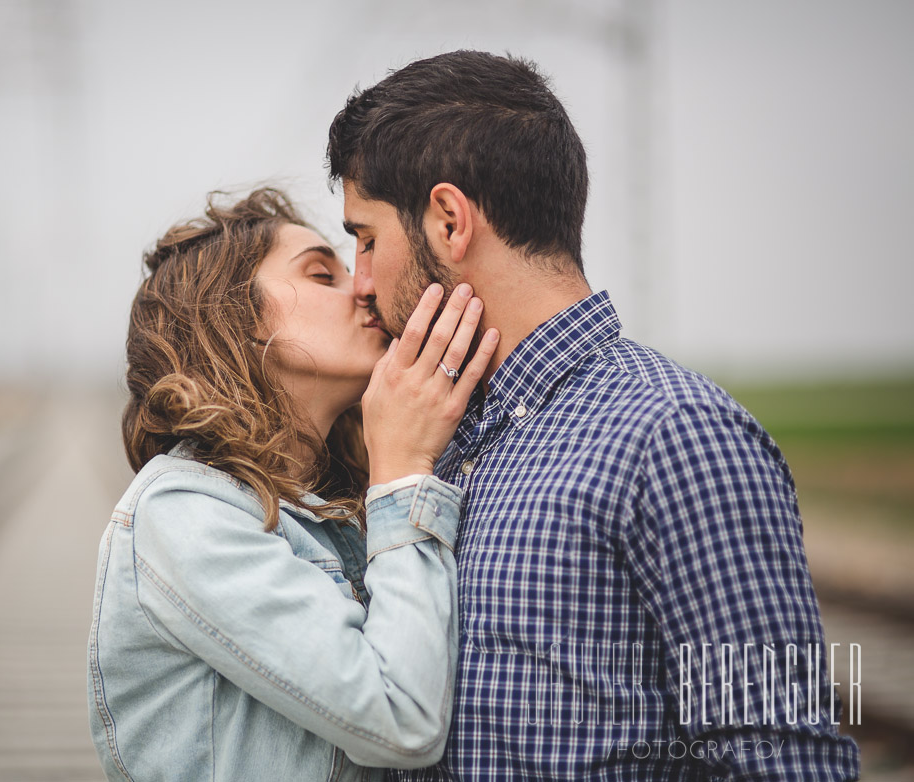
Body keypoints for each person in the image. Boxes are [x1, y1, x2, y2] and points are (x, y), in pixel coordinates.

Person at [327, 50, 861, 781]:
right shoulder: (431, 435)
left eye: (365, 239)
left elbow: (779, 760)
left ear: (449, 221)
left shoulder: (675, 436)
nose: (358, 284)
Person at [87, 187, 499, 782]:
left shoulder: (334, 501)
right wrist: (404, 472)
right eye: (320, 274)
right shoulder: (184, 514)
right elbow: (400, 716)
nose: (364, 288)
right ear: (237, 318)